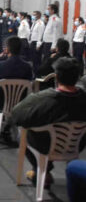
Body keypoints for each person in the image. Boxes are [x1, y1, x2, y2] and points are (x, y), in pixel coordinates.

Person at [11, 58, 86, 187]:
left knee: (21, 132)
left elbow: (16, 115)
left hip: (45, 145)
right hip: (77, 145)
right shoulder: (83, 98)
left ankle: (40, 170)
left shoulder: (43, 99)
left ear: (56, 77)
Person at [0, 36, 33, 144]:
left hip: (0, 103)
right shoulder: (27, 67)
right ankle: (7, 126)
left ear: (7, 49)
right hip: (20, 103)